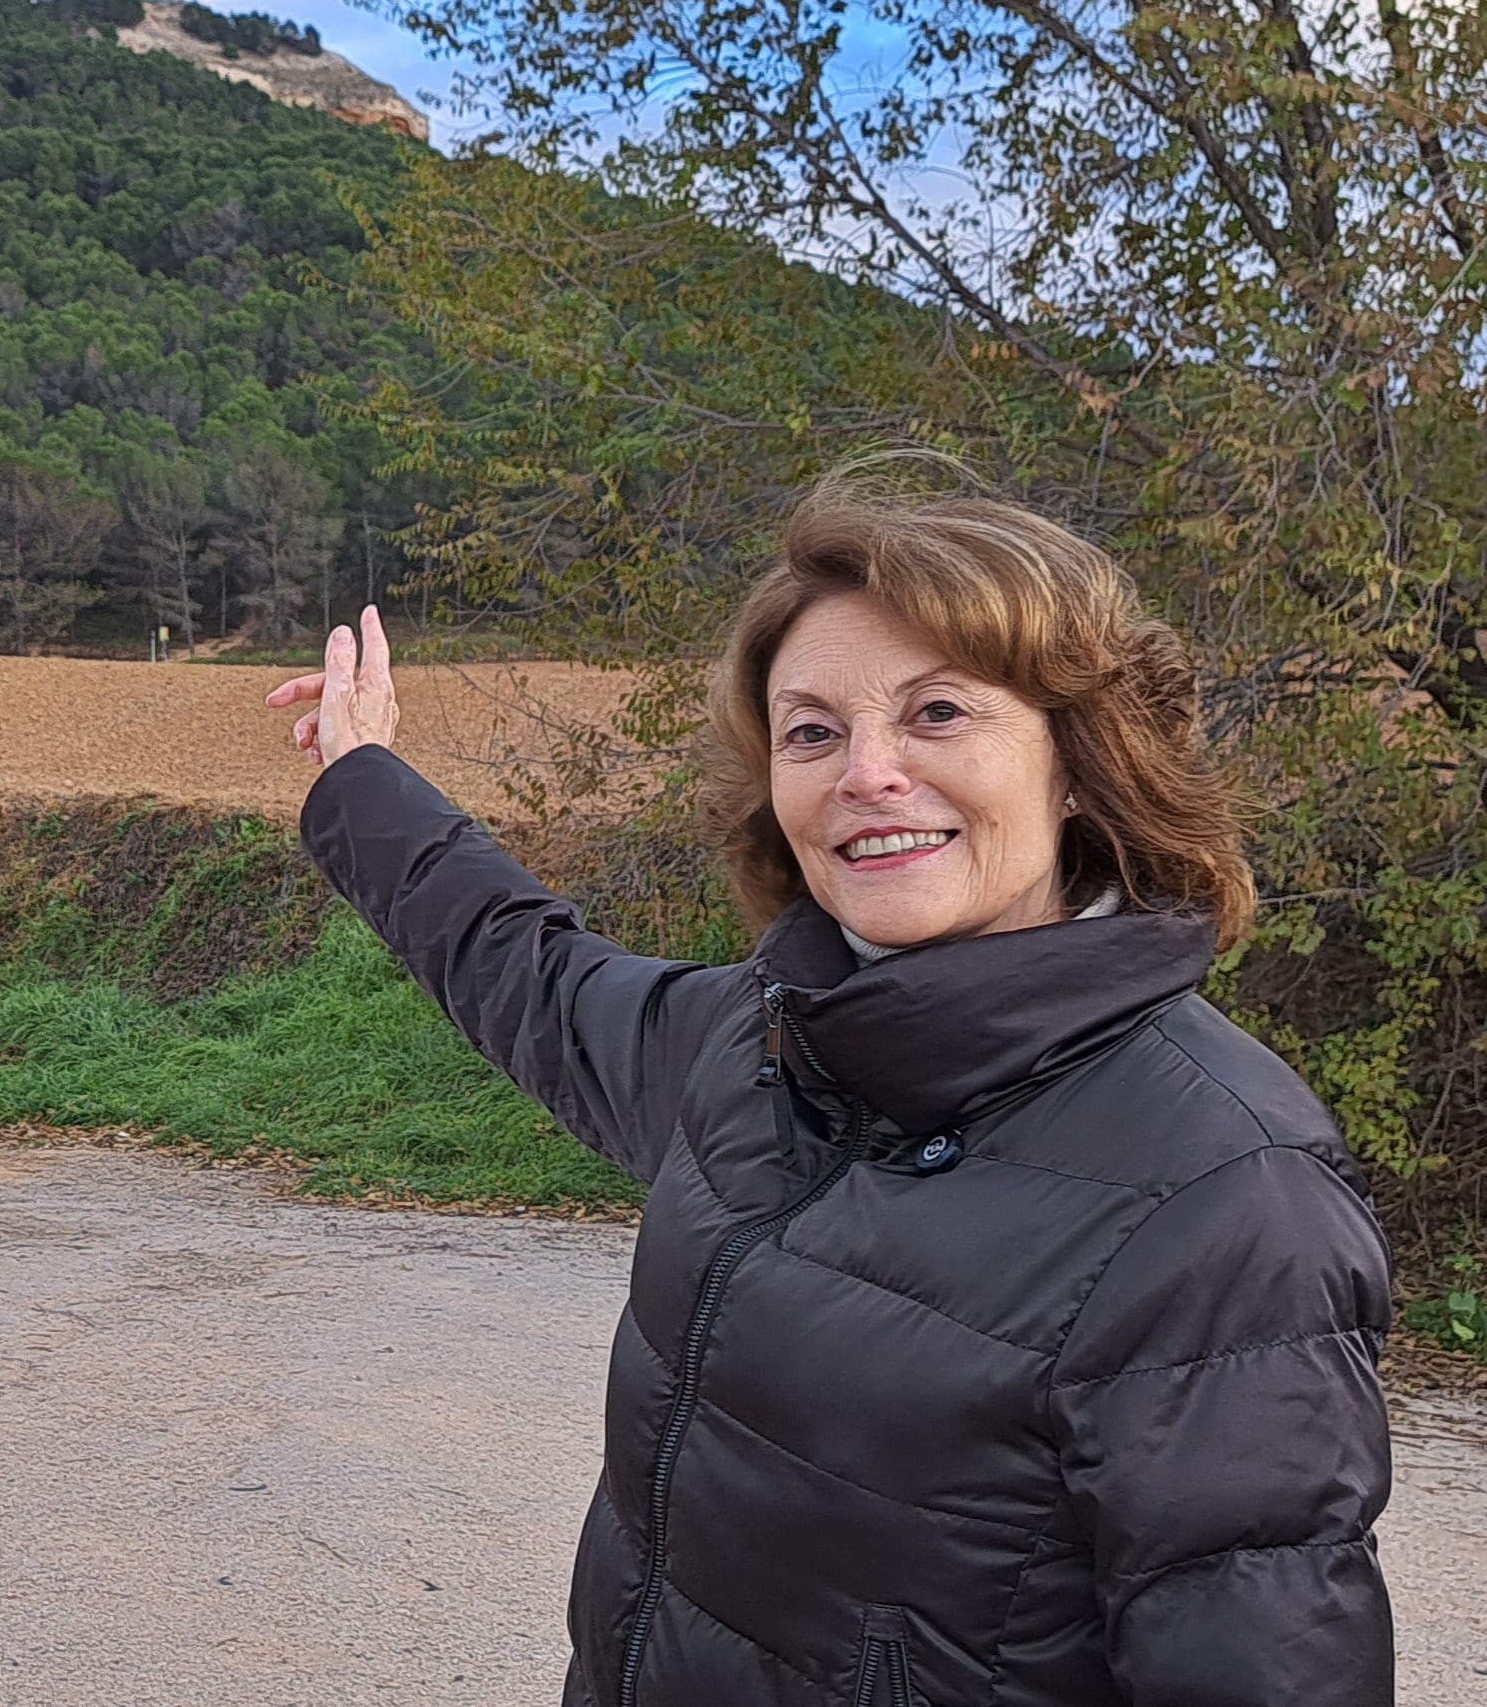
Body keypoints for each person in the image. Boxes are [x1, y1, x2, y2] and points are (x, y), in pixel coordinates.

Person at [272, 478, 1392, 1707]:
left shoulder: (1224, 1195)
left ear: (1077, 760)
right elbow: (529, 974)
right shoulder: (763, 1046)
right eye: (810, 731)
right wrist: (360, 776)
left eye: (937, 712)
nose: (867, 772)